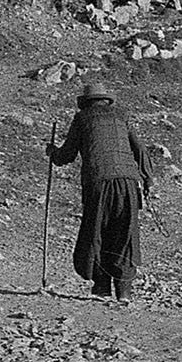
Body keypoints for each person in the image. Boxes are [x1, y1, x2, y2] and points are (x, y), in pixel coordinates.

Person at [47, 75, 152, 303]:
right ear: (106, 100)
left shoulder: (83, 119)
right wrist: (147, 179)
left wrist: (53, 153)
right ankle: (124, 293)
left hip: (99, 182)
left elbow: (67, 154)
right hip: (128, 182)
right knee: (125, 234)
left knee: (97, 231)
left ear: (86, 102)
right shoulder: (121, 116)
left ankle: (102, 288)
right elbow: (141, 150)